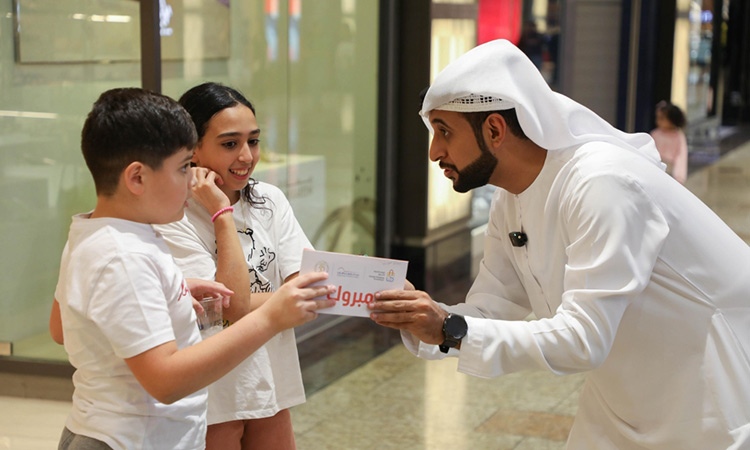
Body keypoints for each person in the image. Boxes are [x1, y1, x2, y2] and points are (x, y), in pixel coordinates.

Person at [369, 39, 750, 449]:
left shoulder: (602, 184)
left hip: (713, 397)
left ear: (495, 129)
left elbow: (583, 340)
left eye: (444, 131)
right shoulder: (509, 198)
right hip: (622, 397)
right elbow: (493, 308)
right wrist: (423, 319)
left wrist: (448, 328)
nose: (434, 152)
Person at [49, 87, 335, 450]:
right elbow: (166, 381)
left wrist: (173, 292)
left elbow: (62, 327)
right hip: (127, 439)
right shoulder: (127, 254)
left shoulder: (95, 232)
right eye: (185, 167)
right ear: (137, 178)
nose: (193, 180)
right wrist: (271, 317)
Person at [153, 82, 312, 450]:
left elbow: (303, 288)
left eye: (252, 141)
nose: (246, 156)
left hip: (270, 376)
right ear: (192, 147)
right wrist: (222, 214)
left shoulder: (268, 199)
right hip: (212, 390)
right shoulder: (172, 215)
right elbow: (227, 307)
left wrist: (284, 300)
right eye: (229, 144)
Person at [650, 100, 688, 184]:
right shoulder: (655, 134)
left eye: (662, 118)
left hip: (671, 172)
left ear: (672, 119)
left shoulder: (679, 137)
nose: (658, 121)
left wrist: (679, 176)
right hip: (654, 168)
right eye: (657, 118)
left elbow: (681, 156)